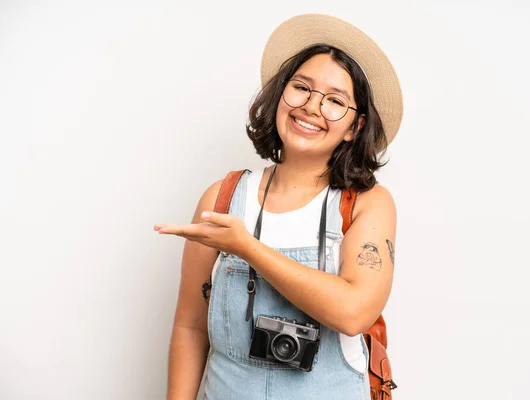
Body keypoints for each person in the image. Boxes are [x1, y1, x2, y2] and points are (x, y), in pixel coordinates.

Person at [154, 13, 403, 400]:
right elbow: (190, 327)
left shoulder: (366, 205)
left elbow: (354, 313)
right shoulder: (223, 197)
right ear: (280, 94)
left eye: (336, 100)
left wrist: (247, 248)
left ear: (355, 127)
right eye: (301, 88)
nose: (311, 107)